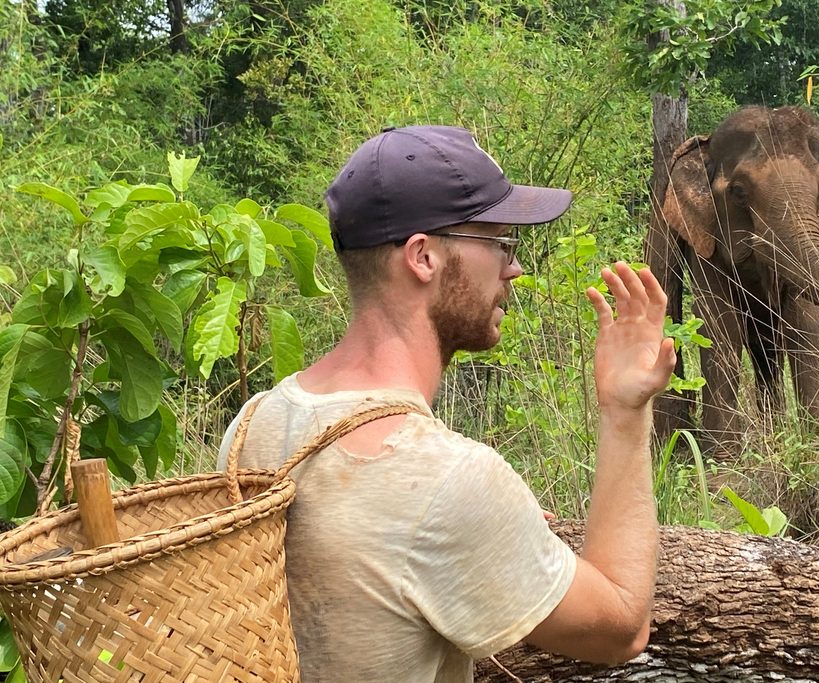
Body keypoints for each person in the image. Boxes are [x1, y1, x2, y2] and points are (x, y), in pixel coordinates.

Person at [218, 125, 676, 682]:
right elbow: (622, 627)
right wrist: (626, 413)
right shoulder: (450, 478)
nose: (514, 268)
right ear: (423, 257)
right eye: (500, 243)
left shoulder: (254, 422)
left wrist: (503, 531)